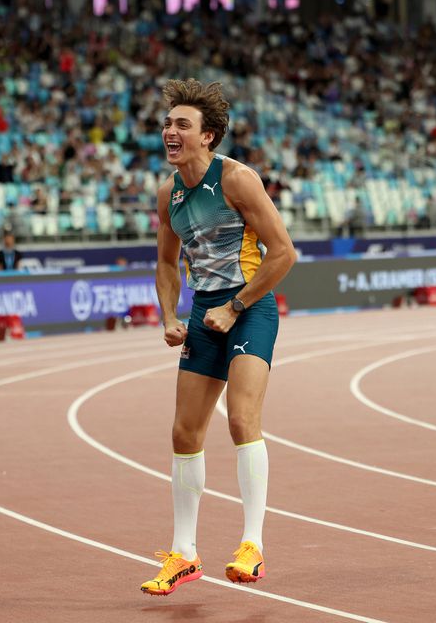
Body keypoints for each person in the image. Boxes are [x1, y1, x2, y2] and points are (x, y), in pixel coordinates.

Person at [141, 79, 296, 596]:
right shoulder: (168, 193)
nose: (170, 132)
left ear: (208, 137)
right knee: (184, 434)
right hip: (206, 312)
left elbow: (283, 253)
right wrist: (169, 314)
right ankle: (183, 554)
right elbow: (165, 263)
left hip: (249, 306)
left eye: (182, 124)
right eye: (168, 123)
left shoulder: (237, 180)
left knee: (241, 418)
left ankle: (252, 544)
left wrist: (235, 307)